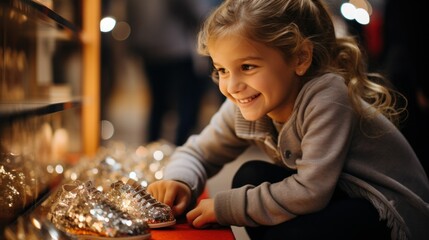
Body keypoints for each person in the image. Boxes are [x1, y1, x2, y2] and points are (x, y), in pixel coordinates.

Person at [147, 0, 429, 239]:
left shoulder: (326, 96)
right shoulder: (247, 99)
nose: (232, 86)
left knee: (262, 209)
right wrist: (179, 181)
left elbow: (311, 191)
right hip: (340, 196)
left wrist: (224, 208)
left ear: (300, 58)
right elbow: (198, 151)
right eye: (221, 69)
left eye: (247, 66)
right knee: (251, 178)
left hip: (388, 212)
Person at [126, 0, 213, 146]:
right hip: (176, 48)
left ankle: (151, 149)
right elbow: (196, 11)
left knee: (157, 103)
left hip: (148, 48)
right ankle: (183, 147)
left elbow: (130, 15)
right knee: (185, 104)